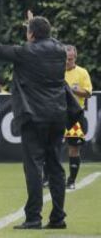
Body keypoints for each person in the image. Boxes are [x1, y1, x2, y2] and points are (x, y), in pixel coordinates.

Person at [0, 11, 68, 229]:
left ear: (31, 34)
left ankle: (33, 217)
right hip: (57, 115)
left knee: (34, 167)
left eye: (27, 31)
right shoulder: (61, 50)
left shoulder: (27, 52)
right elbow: (43, 38)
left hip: (33, 116)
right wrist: (32, 24)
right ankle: (58, 218)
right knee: (55, 166)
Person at [43, 45, 93, 189]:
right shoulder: (55, 72)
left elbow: (88, 93)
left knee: (73, 147)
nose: (67, 62)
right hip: (55, 113)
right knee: (49, 146)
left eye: (70, 59)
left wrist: (74, 90)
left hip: (75, 116)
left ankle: (71, 181)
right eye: (65, 59)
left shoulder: (82, 72)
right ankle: (46, 178)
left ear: (75, 58)